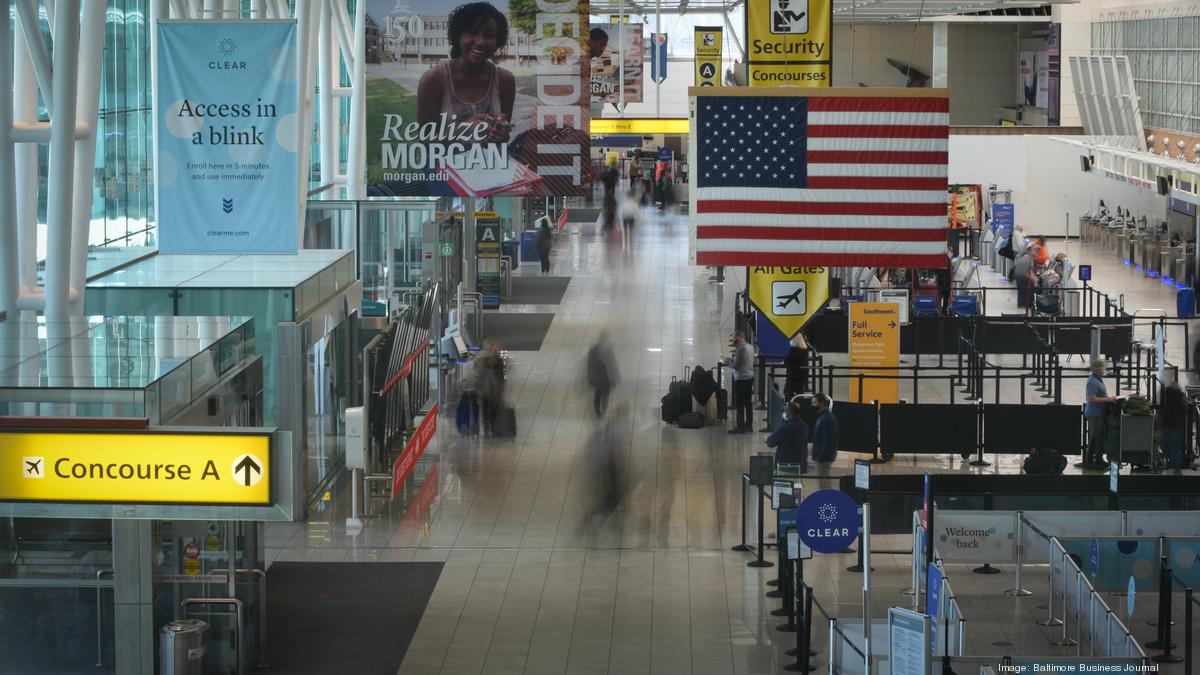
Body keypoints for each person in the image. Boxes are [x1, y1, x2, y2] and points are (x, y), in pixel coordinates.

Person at [417, 2, 516, 144]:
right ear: (458, 36)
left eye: (489, 35)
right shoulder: (433, 79)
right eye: (472, 32)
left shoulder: (505, 80)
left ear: (497, 41)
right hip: (443, 163)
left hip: (489, 162)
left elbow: (504, 138)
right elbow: (424, 140)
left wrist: (499, 131)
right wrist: (465, 129)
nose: (480, 41)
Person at [1084, 359, 1118, 467]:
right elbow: (1091, 398)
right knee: (1095, 436)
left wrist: (1109, 398)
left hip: (1099, 413)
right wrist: (1107, 400)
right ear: (1097, 370)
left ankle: (1098, 458)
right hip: (1094, 413)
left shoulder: (1097, 379)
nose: (1104, 371)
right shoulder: (1092, 382)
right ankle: (1089, 460)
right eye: (1102, 369)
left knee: (1100, 436)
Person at [724, 332, 756, 434]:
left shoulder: (741, 349)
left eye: (736, 340)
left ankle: (740, 426)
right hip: (750, 377)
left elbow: (737, 366)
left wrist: (728, 363)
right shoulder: (750, 347)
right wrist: (733, 359)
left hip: (741, 379)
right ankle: (749, 425)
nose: (735, 342)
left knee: (740, 403)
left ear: (740, 338)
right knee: (748, 402)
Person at [766, 401, 810, 473]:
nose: (784, 413)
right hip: (800, 465)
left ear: (790, 412)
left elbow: (770, 442)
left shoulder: (787, 427)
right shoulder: (804, 426)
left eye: (786, 410)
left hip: (786, 466)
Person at [474, 340, 506, 435]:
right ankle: (487, 427)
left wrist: (502, 386)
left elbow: (502, 374)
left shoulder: (499, 360)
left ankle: (492, 428)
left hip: (494, 389)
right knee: (485, 408)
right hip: (485, 389)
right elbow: (476, 373)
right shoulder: (481, 361)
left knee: (494, 409)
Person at [586, 331, 619, 418]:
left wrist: (589, 375)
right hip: (605, 377)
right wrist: (615, 375)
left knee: (598, 394)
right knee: (605, 395)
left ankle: (598, 412)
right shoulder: (608, 350)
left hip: (598, 377)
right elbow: (612, 364)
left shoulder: (594, 350)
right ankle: (602, 411)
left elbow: (590, 364)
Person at [1159, 381, 1188, 474]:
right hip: (1177, 428)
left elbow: (1161, 412)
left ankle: (1167, 462)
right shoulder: (1181, 399)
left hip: (1167, 427)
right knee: (1175, 449)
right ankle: (1176, 468)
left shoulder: (1165, 399)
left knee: (1165, 445)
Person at [811, 393, 838, 489]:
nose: (813, 405)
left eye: (815, 403)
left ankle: (827, 501)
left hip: (823, 458)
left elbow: (828, 441)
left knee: (824, 483)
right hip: (821, 457)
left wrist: (821, 457)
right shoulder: (822, 418)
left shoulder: (827, 419)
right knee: (823, 481)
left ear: (821, 403)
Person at [783, 333, 810, 400]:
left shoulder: (793, 350)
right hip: (803, 375)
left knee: (788, 392)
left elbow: (787, 361)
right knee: (800, 393)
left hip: (793, 375)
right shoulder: (805, 350)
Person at [1012, 245, 1035, 310]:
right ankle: (1022, 305)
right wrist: (1035, 278)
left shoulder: (1025, 257)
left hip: (1019, 275)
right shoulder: (1027, 258)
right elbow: (1028, 271)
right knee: (1022, 291)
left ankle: (1021, 305)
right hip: (1021, 276)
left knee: (1021, 291)